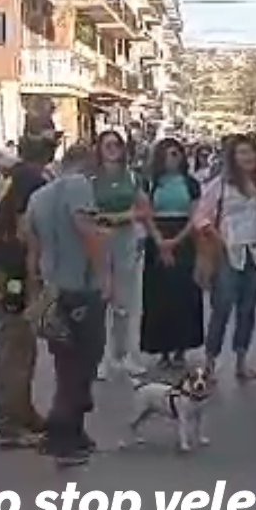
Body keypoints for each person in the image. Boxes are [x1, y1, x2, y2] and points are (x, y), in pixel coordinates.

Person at [24, 145, 111, 468]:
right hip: (80, 287)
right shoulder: (78, 186)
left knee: (66, 364)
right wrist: (104, 275)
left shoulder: (38, 197)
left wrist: (36, 292)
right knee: (84, 362)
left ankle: (71, 431)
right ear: (86, 162)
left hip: (53, 288)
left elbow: (33, 248)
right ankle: (65, 436)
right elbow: (85, 229)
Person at [0, 133, 54, 450]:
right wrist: (35, 277)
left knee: (23, 344)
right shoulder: (29, 181)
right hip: (11, 274)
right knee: (15, 344)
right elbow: (25, 231)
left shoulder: (15, 176)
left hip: (0, 267)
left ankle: (23, 413)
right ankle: (10, 424)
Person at [197, 134, 256, 382]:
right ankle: (209, 362)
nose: (247, 157)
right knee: (222, 308)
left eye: (251, 152)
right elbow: (202, 217)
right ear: (233, 157)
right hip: (229, 253)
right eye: (241, 153)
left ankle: (241, 360)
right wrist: (216, 237)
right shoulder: (221, 185)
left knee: (248, 309)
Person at [140, 138, 204, 370]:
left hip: (184, 238)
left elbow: (195, 215)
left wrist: (176, 241)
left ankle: (181, 348)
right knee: (160, 296)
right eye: (168, 154)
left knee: (183, 294)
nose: (173, 159)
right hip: (158, 235)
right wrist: (159, 241)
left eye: (177, 154)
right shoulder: (151, 183)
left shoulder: (191, 183)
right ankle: (162, 349)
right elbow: (146, 214)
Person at [90, 130, 149, 380]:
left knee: (127, 303)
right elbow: (83, 209)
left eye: (117, 145)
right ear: (100, 149)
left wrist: (120, 217)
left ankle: (126, 356)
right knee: (102, 300)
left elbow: (144, 209)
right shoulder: (91, 179)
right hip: (99, 241)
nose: (113, 149)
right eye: (108, 145)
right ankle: (102, 358)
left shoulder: (132, 177)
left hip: (126, 240)